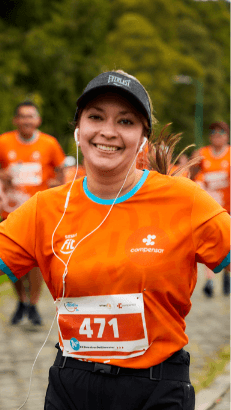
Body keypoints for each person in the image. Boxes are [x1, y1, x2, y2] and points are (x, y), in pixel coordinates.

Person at [0, 70, 230, 410]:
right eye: (96, 117)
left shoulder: (185, 200)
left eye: (125, 121)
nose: (108, 131)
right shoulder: (46, 209)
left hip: (156, 387)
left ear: (143, 139)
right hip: (71, 385)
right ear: (78, 130)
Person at [0, 101, 65, 325]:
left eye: (31, 117)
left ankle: (34, 303)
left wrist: (57, 189)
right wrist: (3, 175)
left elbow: (61, 172)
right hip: (11, 211)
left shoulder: (49, 143)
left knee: (36, 261)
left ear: (38, 120)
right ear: (15, 121)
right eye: (22, 117)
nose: (27, 121)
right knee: (10, 260)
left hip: (39, 211)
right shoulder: (4, 141)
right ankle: (21, 299)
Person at [191, 121, 230, 297]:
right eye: (213, 133)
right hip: (209, 210)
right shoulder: (202, 154)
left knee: (227, 245)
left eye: (221, 133)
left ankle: (227, 277)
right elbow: (191, 175)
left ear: (226, 136)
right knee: (208, 244)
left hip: (228, 209)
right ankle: (209, 281)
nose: (217, 136)